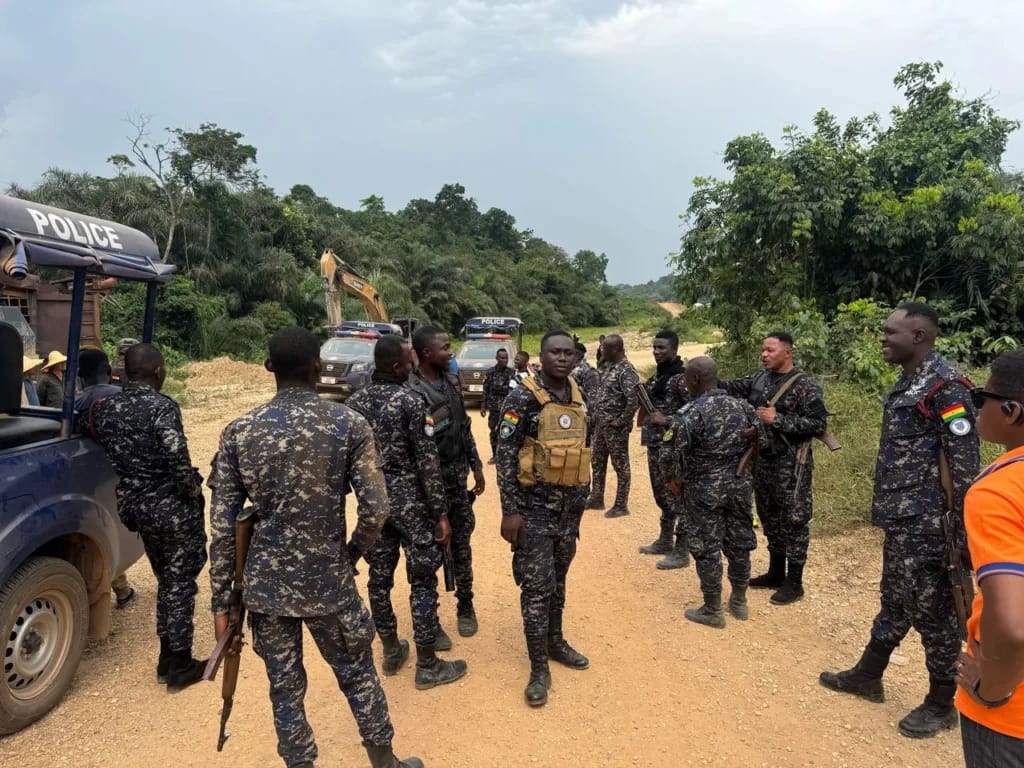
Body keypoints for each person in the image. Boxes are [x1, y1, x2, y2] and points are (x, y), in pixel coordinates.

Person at [209, 327, 423, 768]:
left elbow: (223, 526)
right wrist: (349, 555)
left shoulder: (238, 431)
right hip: (330, 580)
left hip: (266, 589)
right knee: (357, 673)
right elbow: (376, 510)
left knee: (284, 688)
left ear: (268, 368)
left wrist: (221, 603)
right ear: (319, 367)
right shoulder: (348, 423)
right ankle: (384, 761)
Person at [820, 302, 980, 738]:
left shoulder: (947, 388)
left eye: (891, 332)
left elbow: (963, 465)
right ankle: (869, 674)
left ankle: (942, 702)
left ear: (919, 336)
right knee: (894, 598)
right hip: (901, 519)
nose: (882, 338)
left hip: (929, 525)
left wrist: (961, 532)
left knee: (934, 615)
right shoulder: (909, 382)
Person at [347, 335, 468, 691]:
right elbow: (428, 462)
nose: (413, 364)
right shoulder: (412, 402)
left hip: (374, 506)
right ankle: (427, 663)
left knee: (379, 581)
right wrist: (441, 514)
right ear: (398, 367)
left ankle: (389, 649)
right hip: (412, 506)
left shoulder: (353, 403)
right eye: (408, 360)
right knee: (422, 582)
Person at [89, 343, 207, 690]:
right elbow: (178, 460)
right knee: (180, 583)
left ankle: (166, 657)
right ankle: (181, 663)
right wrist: (192, 493)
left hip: (137, 509)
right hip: (172, 509)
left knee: (166, 582)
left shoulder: (106, 408)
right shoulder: (161, 407)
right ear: (158, 372)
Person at [496, 330, 591, 708]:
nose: (563, 359)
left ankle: (555, 643)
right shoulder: (521, 397)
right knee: (537, 590)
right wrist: (510, 512)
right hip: (533, 511)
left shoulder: (580, 395)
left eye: (569, 353)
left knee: (559, 582)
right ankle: (538, 668)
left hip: (568, 512)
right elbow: (505, 454)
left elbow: (584, 446)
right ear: (542, 356)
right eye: (556, 352)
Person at [720, 330, 828, 605]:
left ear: (787, 352)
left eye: (770, 350)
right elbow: (730, 387)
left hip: (791, 464)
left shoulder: (805, 386)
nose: (764, 355)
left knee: (794, 519)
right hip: (763, 461)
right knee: (768, 516)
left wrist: (777, 419)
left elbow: (818, 425)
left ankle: (795, 582)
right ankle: (775, 572)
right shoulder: (759, 379)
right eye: (763, 350)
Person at [954, 350, 1024, 765]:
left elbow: (1013, 626)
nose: (975, 408)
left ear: (1012, 411)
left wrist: (992, 690)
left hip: (1012, 718)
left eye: (983, 398)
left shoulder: (998, 492)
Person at [660, 357, 762, 628]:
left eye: (686, 379)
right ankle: (739, 600)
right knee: (739, 540)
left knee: (707, 546)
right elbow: (761, 440)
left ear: (694, 379)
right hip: (740, 485)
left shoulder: (690, 412)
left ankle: (712, 608)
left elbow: (670, 453)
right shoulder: (744, 407)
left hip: (703, 488)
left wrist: (672, 479)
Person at [407, 326, 485, 640]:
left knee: (463, 545)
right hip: (427, 488)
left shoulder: (452, 383)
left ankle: (465, 605)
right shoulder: (412, 392)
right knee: (428, 553)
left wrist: (477, 465)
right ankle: (432, 621)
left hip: (458, 480)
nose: (450, 352)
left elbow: (464, 428)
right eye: (445, 347)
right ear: (427, 353)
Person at [75, 347, 137, 609]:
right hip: (117, 479)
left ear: (79, 375)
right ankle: (121, 590)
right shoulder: (124, 398)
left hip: (82, 480)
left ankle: (118, 589)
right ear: (109, 372)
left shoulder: (74, 403)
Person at [639, 330, 689, 569]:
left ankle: (682, 550)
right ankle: (665, 539)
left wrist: (667, 419)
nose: (657, 352)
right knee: (661, 495)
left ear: (674, 350)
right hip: (656, 444)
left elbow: (694, 412)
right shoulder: (658, 376)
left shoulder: (681, 378)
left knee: (679, 497)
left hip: (674, 447)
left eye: (662, 349)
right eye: (655, 348)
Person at [586, 334, 640, 518]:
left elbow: (633, 400)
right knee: (597, 461)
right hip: (601, 425)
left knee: (620, 465)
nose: (602, 352)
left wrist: (621, 421)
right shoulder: (608, 368)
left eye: (606, 349)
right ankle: (596, 497)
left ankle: (620, 504)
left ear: (616, 349)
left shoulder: (627, 371)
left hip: (615, 427)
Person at [480, 348, 515, 463]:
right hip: (494, 408)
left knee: (508, 431)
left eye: (506, 358)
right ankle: (495, 455)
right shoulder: (490, 372)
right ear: (497, 358)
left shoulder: (512, 373)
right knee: (494, 432)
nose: (504, 360)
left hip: (508, 409)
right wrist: (483, 406)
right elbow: (485, 390)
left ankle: (506, 456)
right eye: (502, 358)